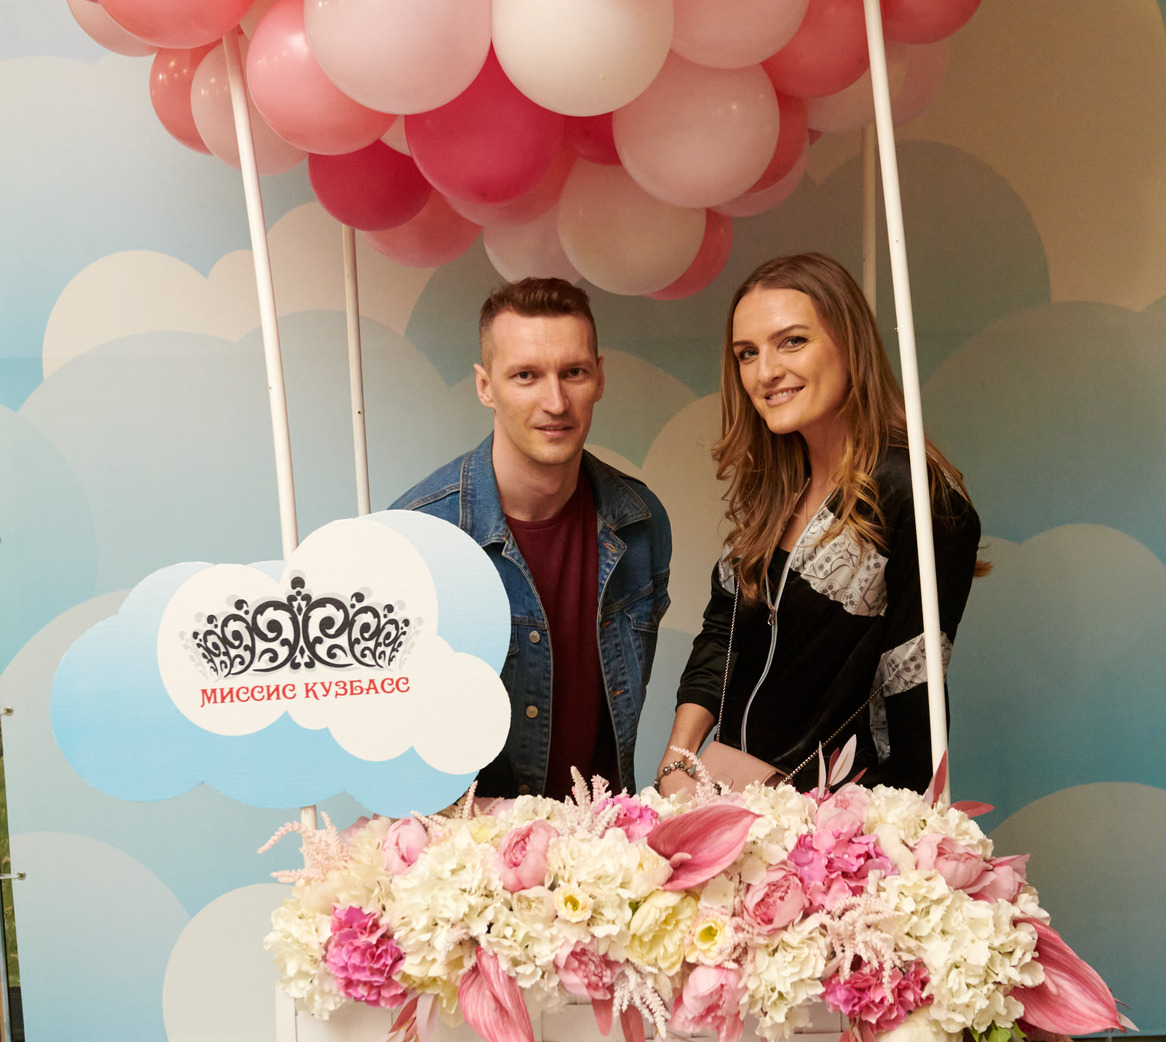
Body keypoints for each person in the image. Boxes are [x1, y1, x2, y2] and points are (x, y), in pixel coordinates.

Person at [657, 251, 982, 798]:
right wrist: (676, 763)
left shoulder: (915, 494)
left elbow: (912, 699)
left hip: (831, 821)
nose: (765, 372)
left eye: (792, 341)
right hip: (727, 802)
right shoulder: (778, 486)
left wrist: (848, 825)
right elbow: (723, 633)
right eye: (747, 353)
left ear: (850, 344)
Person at [393, 277, 672, 799]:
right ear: (485, 386)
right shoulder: (419, 539)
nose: (556, 402)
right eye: (526, 375)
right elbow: (395, 747)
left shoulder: (640, 523)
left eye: (573, 373)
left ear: (599, 377)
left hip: (607, 839)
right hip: (474, 845)